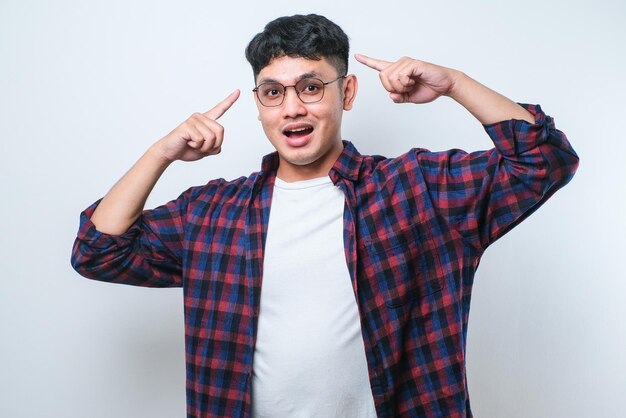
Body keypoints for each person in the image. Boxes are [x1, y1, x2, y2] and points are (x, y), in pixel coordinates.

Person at [71, 13, 579, 418]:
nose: (292, 108)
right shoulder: (215, 213)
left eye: (310, 87)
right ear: (260, 105)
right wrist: (160, 153)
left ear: (348, 93)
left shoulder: (415, 190)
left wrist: (454, 83)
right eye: (274, 92)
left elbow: (545, 161)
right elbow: (98, 251)